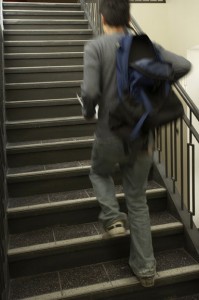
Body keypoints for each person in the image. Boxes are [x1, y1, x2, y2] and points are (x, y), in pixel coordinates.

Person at [81, 0, 191, 288]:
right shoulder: (146, 46)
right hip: (142, 137)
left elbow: (90, 91)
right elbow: (183, 64)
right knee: (138, 200)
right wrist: (156, 81)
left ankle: (112, 218)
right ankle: (145, 270)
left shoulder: (95, 47)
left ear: (102, 18)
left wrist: (85, 110)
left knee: (98, 172)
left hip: (109, 133)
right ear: (129, 17)